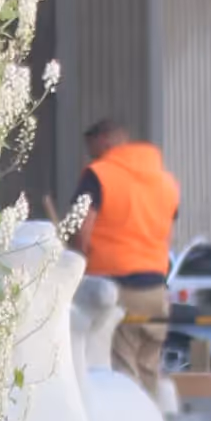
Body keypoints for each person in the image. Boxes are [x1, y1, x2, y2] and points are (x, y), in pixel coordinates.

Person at [68, 117, 179, 400]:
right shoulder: (165, 182)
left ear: (104, 140)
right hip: (156, 291)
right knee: (148, 373)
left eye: (91, 147)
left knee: (122, 374)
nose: (90, 155)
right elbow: (169, 234)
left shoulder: (99, 174)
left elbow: (81, 227)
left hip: (118, 291)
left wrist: (75, 263)